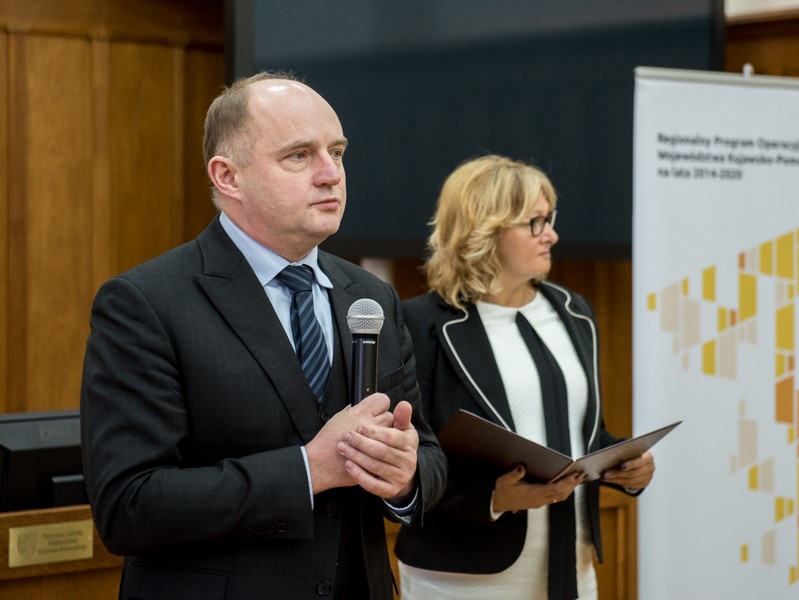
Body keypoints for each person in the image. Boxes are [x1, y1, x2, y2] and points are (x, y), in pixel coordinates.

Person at [80, 71, 447, 600]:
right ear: (228, 176)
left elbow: (428, 456)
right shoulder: (146, 302)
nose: (331, 175)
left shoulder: (371, 298)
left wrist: (406, 476)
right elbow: (129, 506)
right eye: (299, 155)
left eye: (337, 152)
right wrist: (307, 471)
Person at [394, 155, 655, 599]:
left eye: (550, 219)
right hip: (462, 576)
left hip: (572, 564)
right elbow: (408, 459)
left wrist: (626, 462)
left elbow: (581, 432)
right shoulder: (421, 324)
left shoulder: (574, 312)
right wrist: (492, 498)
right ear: (484, 230)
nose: (551, 235)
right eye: (535, 223)